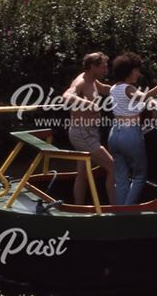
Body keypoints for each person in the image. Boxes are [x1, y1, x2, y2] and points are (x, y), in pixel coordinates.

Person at [107, 52, 157, 206]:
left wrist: (153, 102)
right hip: (129, 134)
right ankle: (128, 211)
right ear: (129, 72)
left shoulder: (114, 88)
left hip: (114, 134)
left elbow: (140, 100)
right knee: (140, 176)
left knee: (121, 178)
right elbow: (145, 96)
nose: (138, 73)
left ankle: (119, 212)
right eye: (136, 70)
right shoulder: (128, 88)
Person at [62, 52, 114, 205]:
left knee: (82, 173)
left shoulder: (93, 80)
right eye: (103, 67)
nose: (106, 70)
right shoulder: (81, 81)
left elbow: (105, 89)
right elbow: (66, 96)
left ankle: (78, 207)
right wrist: (88, 104)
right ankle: (116, 207)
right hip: (83, 134)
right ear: (93, 67)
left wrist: (126, 90)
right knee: (114, 167)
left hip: (88, 132)